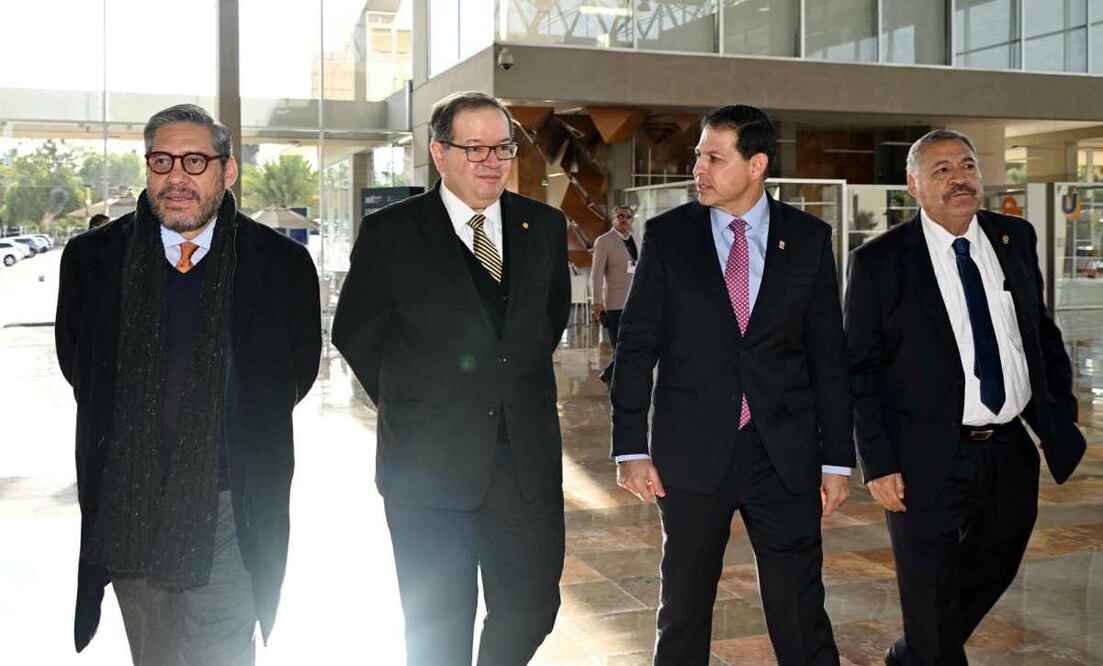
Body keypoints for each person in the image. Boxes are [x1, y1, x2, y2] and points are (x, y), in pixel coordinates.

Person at [55, 104, 321, 666]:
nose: (176, 177)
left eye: (195, 161)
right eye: (162, 161)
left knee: (221, 653)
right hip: (128, 504)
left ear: (227, 173)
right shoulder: (93, 260)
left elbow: (291, 376)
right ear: (147, 168)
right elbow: (81, 365)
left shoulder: (280, 264)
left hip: (232, 504)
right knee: (154, 655)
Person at [331, 91, 570, 666]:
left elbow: (546, 321)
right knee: (438, 629)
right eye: (475, 148)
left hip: (523, 462)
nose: (492, 161)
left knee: (532, 606)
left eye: (504, 148)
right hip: (427, 466)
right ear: (439, 153)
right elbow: (356, 330)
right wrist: (420, 405)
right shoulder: (391, 233)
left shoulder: (545, 226)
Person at [610, 105, 853, 665]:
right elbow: (637, 345)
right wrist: (630, 446)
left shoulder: (809, 239)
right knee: (684, 608)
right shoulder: (668, 237)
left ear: (757, 164)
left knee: (800, 609)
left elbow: (828, 357)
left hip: (784, 455)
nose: (699, 167)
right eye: (699, 154)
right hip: (690, 455)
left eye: (714, 157)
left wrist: (836, 459)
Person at [844, 129, 1086, 665]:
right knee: (927, 590)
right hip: (922, 453)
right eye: (942, 170)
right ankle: (926, 650)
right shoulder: (880, 263)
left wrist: (1059, 413)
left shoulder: (1013, 238)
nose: (959, 178)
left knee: (996, 564)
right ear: (913, 185)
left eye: (967, 166)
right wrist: (877, 462)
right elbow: (858, 372)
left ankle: (915, 652)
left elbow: (1039, 334)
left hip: (1007, 449)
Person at [591, 204, 638, 385]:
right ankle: (614, 375)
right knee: (621, 343)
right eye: (620, 216)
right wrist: (597, 303)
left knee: (632, 342)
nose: (624, 219)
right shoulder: (604, 241)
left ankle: (611, 373)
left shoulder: (635, 239)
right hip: (615, 303)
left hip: (635, 302)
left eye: (627, 216)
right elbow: (596, 273)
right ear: (613, 219)